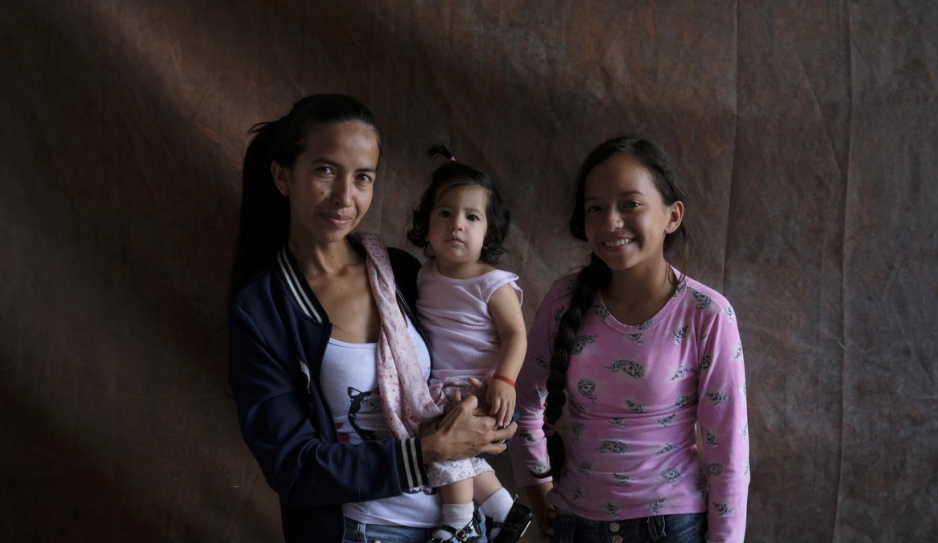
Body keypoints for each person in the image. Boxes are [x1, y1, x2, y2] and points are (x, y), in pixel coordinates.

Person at [227, 94, 516, 543]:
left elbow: (463, 366)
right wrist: (430, 451)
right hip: (361, 530)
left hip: (457, 526)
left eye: (363, 177)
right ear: (283, 176)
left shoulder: (401, 273)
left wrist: (487, 411)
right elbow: (294, 467)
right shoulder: (264, 310)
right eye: (326, 170)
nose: (345, 196)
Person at [508, 136, 750, 542]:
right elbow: (524, 407)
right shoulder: (564, 300)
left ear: (672, 216)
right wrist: (540, 494)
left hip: (671, 528)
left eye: (631, 204)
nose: (611, 223)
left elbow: (728, 452)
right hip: (573, 526)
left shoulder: (707, 314)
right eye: (595, 209)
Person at [405, 146, 534, 543]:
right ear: (427, 223)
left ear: (488, 233)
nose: (456, 224)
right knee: (437, 443)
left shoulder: (493, 283)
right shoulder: (424, 275)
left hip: (479, 388)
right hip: (439, 385)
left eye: (471, 216)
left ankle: (458, 519)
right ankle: (505, 512)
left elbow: (516, 335)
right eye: (445, 213)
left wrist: (505, 381)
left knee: (448, 446)